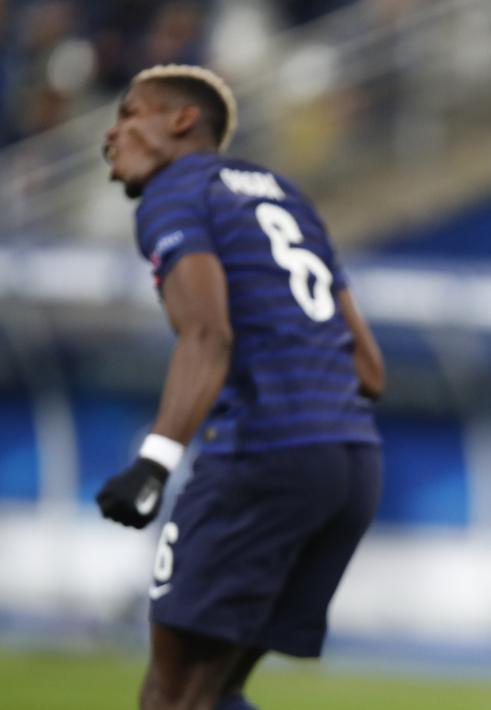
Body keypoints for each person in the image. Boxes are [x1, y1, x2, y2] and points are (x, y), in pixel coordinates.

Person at [94, 64, 384, 710]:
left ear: (182, 120)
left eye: (129, 113)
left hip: (264, 452)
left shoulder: (175, 192)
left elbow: (208, 335)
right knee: (214, 689)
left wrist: (153, 463)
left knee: (171, 696)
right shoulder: (285, 196)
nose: (111, 135)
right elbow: (369, 370)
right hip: (351, 465)